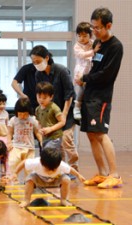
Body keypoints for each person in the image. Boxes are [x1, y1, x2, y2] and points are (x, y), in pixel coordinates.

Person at [75, 7, 123, 189]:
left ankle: (114, 175)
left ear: (108, 25)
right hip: (89, 94)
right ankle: (102, 173)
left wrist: (85, 78)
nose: (94, 31)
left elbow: (106, 74)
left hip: (101, 97)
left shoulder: (115, 46)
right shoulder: (98, 45)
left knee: (101, 134)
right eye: (93, 27)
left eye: (97, 28)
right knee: (91, 135)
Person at [31, 45, 79, 173]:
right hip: (50, 114)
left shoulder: (61, 70)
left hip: (65, 113)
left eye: (38, 61)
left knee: (67, 142)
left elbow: (70, 94)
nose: (36, 64)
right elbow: (40, 93)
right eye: (33, 62)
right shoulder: (38, 74)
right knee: (58, 146)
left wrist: (64, 114)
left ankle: (74, 169)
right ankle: (61, 170)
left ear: (46, 58)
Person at [11, 148, 85, 207]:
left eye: (54, 169)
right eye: (47, 169)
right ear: (41, 162)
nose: (50, 172)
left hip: (55, 180)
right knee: (29, 179)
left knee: (66, 179)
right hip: (39, 180)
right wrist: (15, 173)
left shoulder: (61, 164)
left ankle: (64, 200)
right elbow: (24, 162)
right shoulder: (36, 162)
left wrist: (78, 175)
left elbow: (70, 169)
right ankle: (26, 200)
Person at [7, 98, 42, 177]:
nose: (22, 117)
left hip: (29, 148)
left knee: (30, 169)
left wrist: (41, 141)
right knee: (12, 163)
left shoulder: (33, 120)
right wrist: (9, 142)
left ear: (29, 112)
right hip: (16, 147)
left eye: (25, 114)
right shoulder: (13, 120)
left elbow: (37, 132)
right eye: (20, 114)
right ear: (16, 112)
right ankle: (13, 180)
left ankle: (29, 184)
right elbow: (9, 133)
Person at [73, 22, 100, 120]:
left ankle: (87, 109)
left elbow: (99, 42)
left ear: (90, 35)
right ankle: (76, 107)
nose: (81, 38)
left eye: (84, 36)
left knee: (89, 90)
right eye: (79, 36)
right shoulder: (77, 46)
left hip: (90, 71)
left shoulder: (92, 43)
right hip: (81, 71)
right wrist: (93, 51)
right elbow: (82, 55)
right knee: (80, 89)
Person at [35, 81, 65, 150]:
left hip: (55, 137)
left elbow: (62, 122)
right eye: (39, 97)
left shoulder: (54, 107)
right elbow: (39, 122)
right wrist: (40, 130)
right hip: (45, 137)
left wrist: (50, 129)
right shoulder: (37, 109)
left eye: (44, 98)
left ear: (51, 97)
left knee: (48, 153)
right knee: (47, 156)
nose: (41, 100)